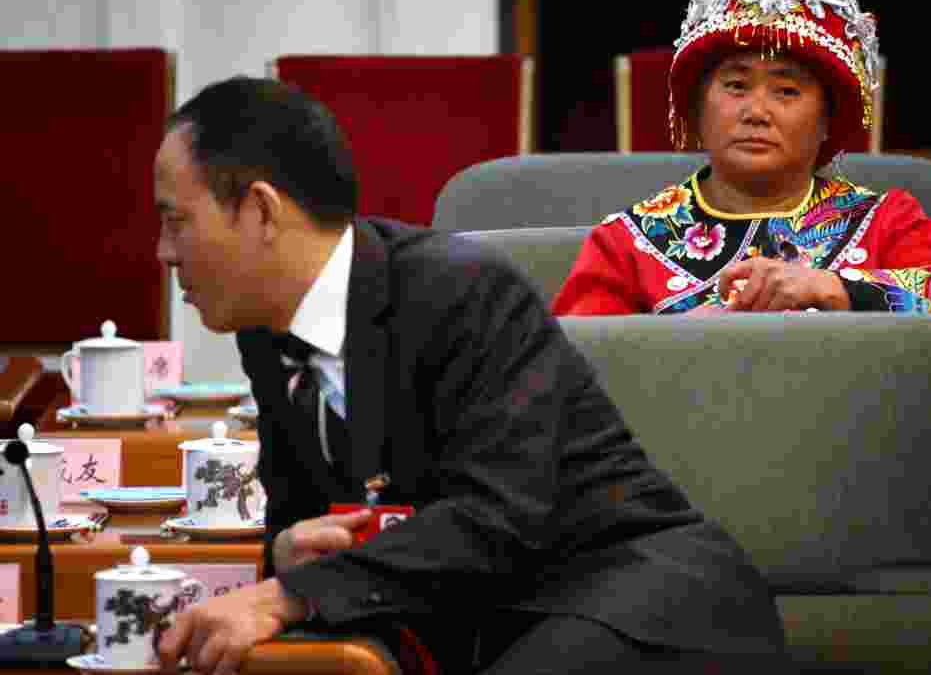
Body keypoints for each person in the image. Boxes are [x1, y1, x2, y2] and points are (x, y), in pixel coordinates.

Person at [152, 76, 786, 674]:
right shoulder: (266, 331)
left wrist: (284, 596)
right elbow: (309, 520)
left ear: (261, 212)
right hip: (483, 616)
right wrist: (289, 549)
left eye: (176, 220)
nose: (164, 252)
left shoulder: (464, 291)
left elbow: (498, 519)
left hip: (634, 597)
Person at [552, 0, 931, 338]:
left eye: (787, 92)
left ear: (828, 120)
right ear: (697, 108)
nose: (756, 111)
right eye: (735, 86)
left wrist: (830, 288)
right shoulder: (625, 243)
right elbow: (565, 375)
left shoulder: (886, 223)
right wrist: (674, 340)